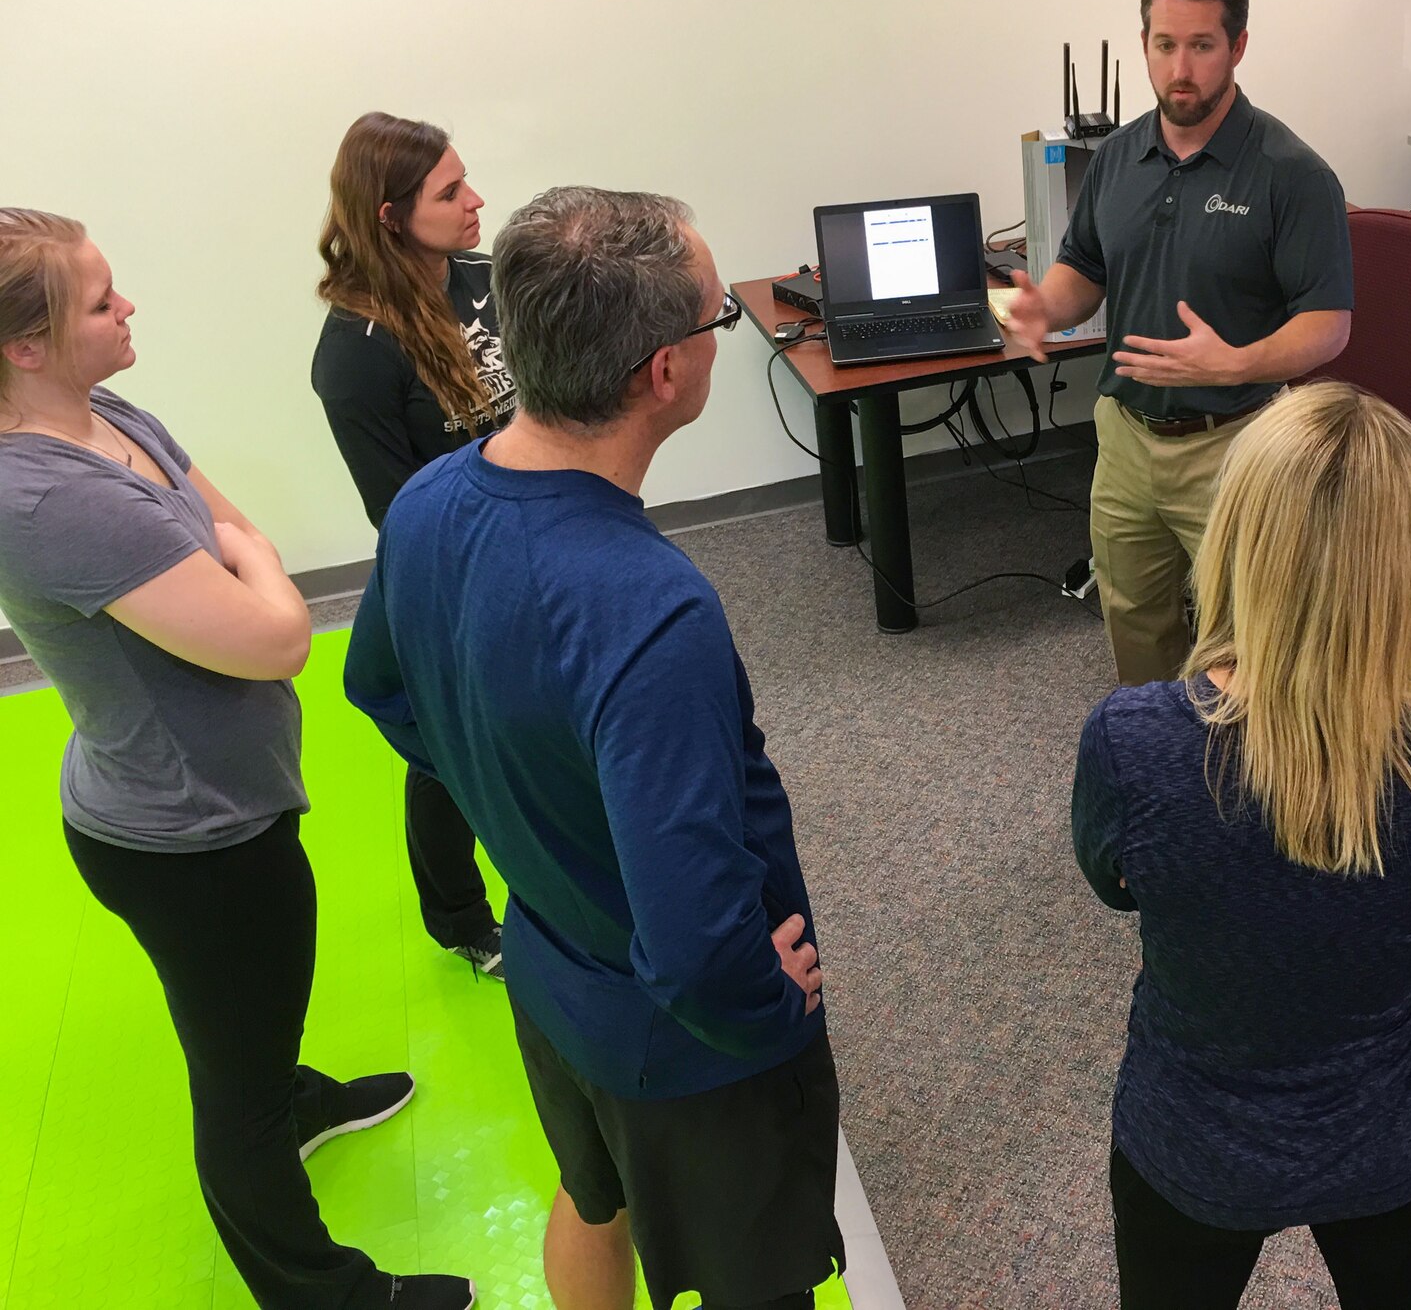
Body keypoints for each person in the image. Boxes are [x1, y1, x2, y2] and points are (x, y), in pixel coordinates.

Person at [344, 187, 844, 1310]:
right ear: (664, 373)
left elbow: (375, 687)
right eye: (716, 320)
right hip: (685, 1051)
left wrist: (513, 795)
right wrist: (768, 1010)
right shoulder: (651, 611)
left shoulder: (425, 504)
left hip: (547, 973)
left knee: (590, 1198)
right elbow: (699, 941)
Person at [0, 208, 474, 1310]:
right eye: (100, 300)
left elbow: (238, 540)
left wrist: (243, 557)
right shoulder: (48, 498)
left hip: (225, 799)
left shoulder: (105, 412)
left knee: (256, 1011)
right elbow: (277, 637)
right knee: (234, 1086)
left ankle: (291, 1095)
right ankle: (319, 1290)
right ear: (24, 346)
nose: (128, 309)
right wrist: (251, 562)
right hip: (186, 835)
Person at [1070, 382, 1411, 1310]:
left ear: (1235, 537)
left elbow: (1113, 887)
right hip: (1392, 1139)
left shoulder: (1135, 743)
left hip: (1194, 1141)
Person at [998, 0, 1356, 686]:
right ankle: (1158, 762)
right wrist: (1044, 308)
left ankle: (1254, 782)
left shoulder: (1293, 175)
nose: (1180, 69)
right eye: (1165, 46)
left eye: (1201, 46)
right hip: (1125, 437)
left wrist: (1238, 362)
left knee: (1249, 636)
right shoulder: (1119, 155)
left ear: (1238, 48)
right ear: (1144, 46)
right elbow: (1086, 269)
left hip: (1235, 444)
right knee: (1133, 618)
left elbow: (1329, 323)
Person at [312, 111, 514, 978]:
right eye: (450, 192)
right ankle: (462, 919)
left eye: (467, 179)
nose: (476, 202)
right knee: (449, 755)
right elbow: (399, 513)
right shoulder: (355, 355)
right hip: (453, 572)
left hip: (539, 533)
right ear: (391, 215)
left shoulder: (482, 278)